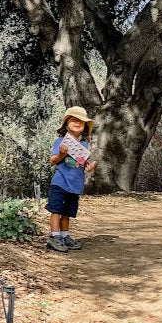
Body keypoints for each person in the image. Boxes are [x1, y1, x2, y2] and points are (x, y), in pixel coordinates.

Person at [46, 106, 96, 252]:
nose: (78, 123)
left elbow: (81, 163)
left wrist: (88, 167)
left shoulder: (84, 145)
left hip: (75, 185)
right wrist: (62, 154)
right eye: (74, 120)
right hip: (60, 183)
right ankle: (54, 236)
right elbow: (53, 160)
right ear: (66, 124)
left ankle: (65, 235)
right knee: (56, 210)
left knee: (67, 212)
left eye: (81, 121)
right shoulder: (60, 142)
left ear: (85, 127)